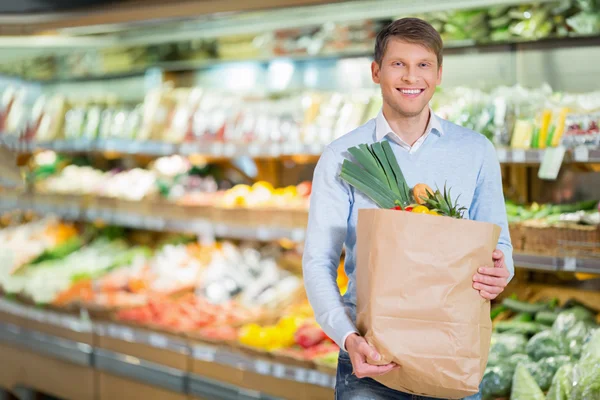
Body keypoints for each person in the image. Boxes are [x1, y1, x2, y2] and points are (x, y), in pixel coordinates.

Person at [302, 17, 514, 400]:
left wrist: (502, 273)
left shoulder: (475, 150)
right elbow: (318, 261)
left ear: (439, 73)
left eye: (423, 65)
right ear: (376, 71)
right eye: (398, 64)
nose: (411, 77)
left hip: (452, 351)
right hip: (370, 360)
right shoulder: (342, 156)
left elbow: (502, 245)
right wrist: (348, 338)